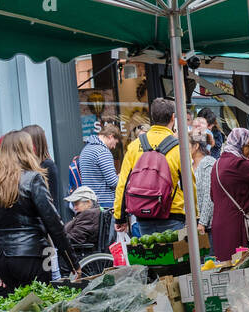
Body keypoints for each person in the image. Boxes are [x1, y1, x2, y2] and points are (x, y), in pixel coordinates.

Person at [0, 129, 77, 294]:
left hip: (3, 257)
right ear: (26, 150)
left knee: (19, 307)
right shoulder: (33, 179)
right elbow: (53, 223)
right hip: (32, 254)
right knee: (41, 304)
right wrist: (72, 262)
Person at [115, 97, 186, 234]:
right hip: (173, 214)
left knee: (149, 254)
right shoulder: (179, 148)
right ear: (173, 117)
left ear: (152, 117)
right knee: (177, 254)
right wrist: (195, 217)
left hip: (143, 213)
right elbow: (190, 186)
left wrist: (119, 217)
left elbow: (123, 184)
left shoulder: (135, 146)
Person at [210, 127, 249, 259]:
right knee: (241, 266)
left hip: (221, 226)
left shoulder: (218, 164)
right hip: (236, 227)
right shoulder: (238, 164)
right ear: (239, 144)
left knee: (227, 268)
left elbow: (213, 196)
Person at [76, 123, 121, 210]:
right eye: (115, 143)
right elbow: (113, 182)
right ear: (111, 136)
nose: (114, 147)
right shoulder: (103, 152)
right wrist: (121, 178)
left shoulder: (86, 149)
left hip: (90, 203)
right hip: (105, 205)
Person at [62, 186, 106, 254]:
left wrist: (57, 238)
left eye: (76, 204)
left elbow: (75, 238)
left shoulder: (88, 215)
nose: (74, 208)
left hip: (78, 253)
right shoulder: (91, 213)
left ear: (88, 203)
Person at [191, 132, 216, 240]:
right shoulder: (189, 165)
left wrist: (202, 223)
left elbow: (209, 196)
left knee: (209, 256)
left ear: (196, 146)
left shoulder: (208, 163)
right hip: (194, 223)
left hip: (207, 226)